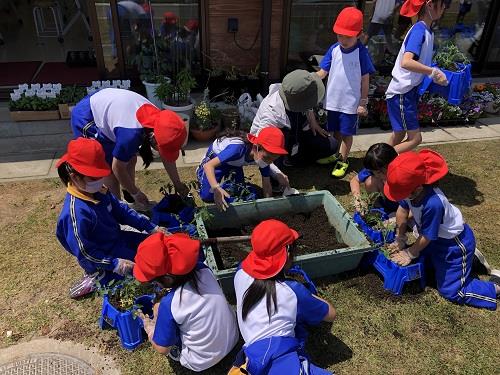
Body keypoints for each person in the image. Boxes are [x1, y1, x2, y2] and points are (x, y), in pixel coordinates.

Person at [385, 149, 499, 310]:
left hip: (453, 244)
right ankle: (471, 263)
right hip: (435, 240)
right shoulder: (410, 189)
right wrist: (400, 237)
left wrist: (409, 253)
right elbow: (402, 211)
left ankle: (495, 286)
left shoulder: (433, 203)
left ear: (417, 189)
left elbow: (427, 236)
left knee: (451, 291)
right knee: (425, 266)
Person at [55, 138, 165, 299]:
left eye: (100, 175)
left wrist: (150, 227)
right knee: (142, 273)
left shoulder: (98, 190)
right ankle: (95, 276)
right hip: (103, 254)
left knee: (151, 246)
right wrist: (114, 263)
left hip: (117, 237)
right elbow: (85, 252)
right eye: (94, 177)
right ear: (75, 177)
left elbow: (121, 210)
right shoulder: (75, 214)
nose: (100, 180)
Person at [231, 219, 336, 374]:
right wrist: (307, 295)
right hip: (277, 360)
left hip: (252, 351)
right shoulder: (292, 292)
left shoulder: (240, 272)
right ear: (287, 252)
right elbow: (331, 315)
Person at [134, 232, 239, 371]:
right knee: (159, 308)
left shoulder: (171, 304)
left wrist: (150, 329)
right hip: (233, 338)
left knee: (161, 326)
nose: (154, 284)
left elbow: (162, 349)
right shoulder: (203, 270)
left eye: (154, 280)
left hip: (200, 361)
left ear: (167, 279)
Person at [70, 88, 188, 209]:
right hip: (88, 117)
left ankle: (129, 198)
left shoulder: (161, 121)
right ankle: (117, 210)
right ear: (153, 137)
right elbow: (117, 168)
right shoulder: (131, 133)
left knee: (131, 159)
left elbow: (166, 156)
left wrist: (177, 183)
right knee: (109, 173)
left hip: (112, 110)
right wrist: (136, 192)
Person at [315, 7, 376, 179]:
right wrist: (309, 79)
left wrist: (363, 103)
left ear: (359, 34)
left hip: (350, 103)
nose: (343, 39)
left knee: (347, 133)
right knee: (335, 131)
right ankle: (336, 154)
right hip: (333, 100)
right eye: (340, 35)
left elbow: (365, 79)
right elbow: (322, 72)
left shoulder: (361, 53)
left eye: (347, 36)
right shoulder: (334, 49)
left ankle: (343, 160)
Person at [385, 0, 448, 154]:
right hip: (403, 92)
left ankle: (374, 168)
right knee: (415, 139)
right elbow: (406, 62)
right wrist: (432, 72)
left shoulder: (426, 31)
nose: (445, 7)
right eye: (442, 3)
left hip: (406, 91)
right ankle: (378, 164)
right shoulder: (419, 31)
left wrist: (433, 71)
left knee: (398, 134)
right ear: (430, 5)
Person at [250, 69, 338, 167]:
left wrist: (313, 122)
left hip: (297, 132)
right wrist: (272, 174)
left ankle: (296, 158)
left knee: (331, 145)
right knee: (274, 174)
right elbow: (260, 149)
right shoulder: (271, 115)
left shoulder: (297, 89)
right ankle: (286, 160)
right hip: (281, 140)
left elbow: (308, 103)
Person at [197, 127, 290, 211]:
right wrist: (216, 188)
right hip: (216, 163)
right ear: (256, 147)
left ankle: (234, 187)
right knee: (207, 196)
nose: (269, 162)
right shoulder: (237, 149)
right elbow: (208, 166)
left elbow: (267, 184)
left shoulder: (263, 157)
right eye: (267, 158)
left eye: (273, 160)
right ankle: (202, 175)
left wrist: (268, 206)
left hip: (235, 165)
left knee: (239, 191)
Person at [350, 143, 399, 214]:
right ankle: (377, 208)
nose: (376, 174)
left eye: (379, 172)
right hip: (386, 201)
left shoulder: (401, 173)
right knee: (370, 181)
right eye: (373, 171)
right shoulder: (374, 167)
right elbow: (354, 180)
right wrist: (358, 199)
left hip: (403, 206)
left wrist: (399, 216)